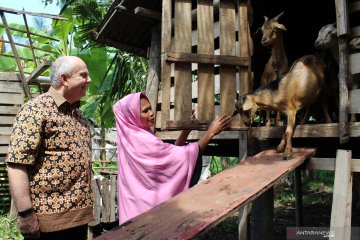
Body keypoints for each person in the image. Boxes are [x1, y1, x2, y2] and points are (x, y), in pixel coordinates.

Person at [6, 56, 93, 240]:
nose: (89, 80)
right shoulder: (35, 110)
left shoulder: (78, 114)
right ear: (64, 79)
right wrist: (25, 214)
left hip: (78, 220)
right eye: (83, 75)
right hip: (47, 225)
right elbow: (16, 164)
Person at [113, 92, 232, 224]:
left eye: (150, 108)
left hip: (133, 209)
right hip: (147, 215)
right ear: (132, 116)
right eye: (144, 111)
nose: (151, 113)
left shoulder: (130, 139)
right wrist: (211, 133)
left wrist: (185, 131)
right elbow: (180, 158)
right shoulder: (143, 140)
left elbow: (169, 157)